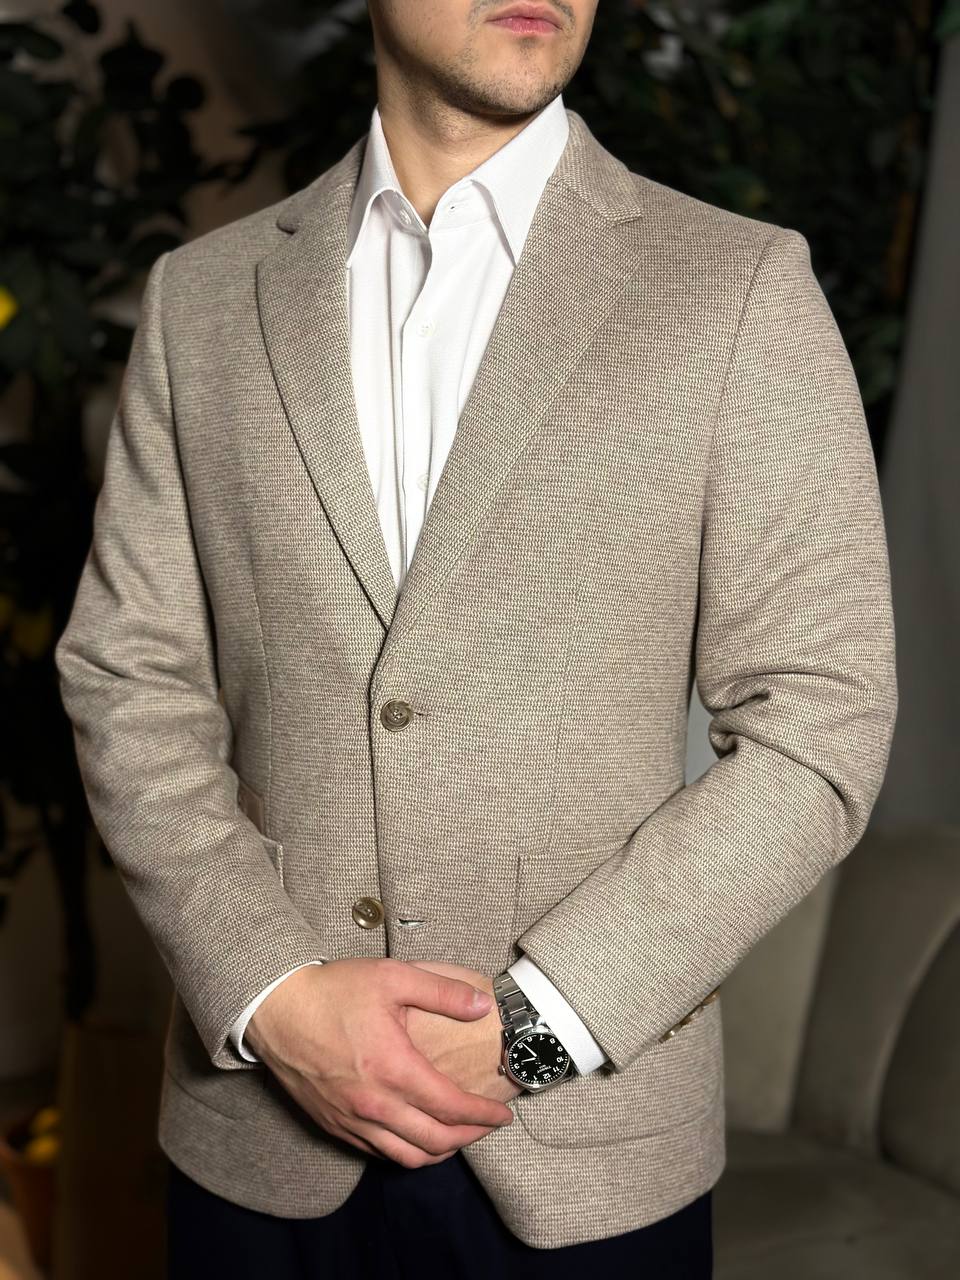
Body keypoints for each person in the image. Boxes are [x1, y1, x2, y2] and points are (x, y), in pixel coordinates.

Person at [54, 1, 898, 1276]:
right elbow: (129, 674)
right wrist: (270, 993)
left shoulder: (737, 287)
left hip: (586, 1156)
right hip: (257, 1143)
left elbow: (820, 723)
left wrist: (536, 1028)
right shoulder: (205, 300)